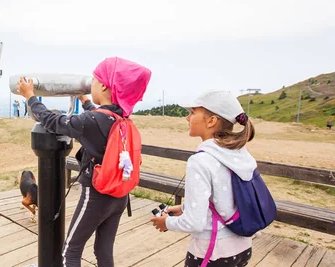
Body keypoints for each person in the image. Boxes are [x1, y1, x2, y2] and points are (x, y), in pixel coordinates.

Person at [17, 57, 151, 267]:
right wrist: (86, 101)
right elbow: (97, 121)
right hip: (120, 196)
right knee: (103, 251)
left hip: (96, 196)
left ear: (105, 85)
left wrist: (31, 98)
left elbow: (54, 122)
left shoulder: (95, 121)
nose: (91, 84)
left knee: (70, 252)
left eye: (95, 81)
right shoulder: (122, 117)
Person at [150, 90, 257, 267]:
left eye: (192, 112)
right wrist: (184, 208)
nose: (187, 118)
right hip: (243, 248)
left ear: (211, 120)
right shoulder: (240, 154)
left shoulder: (200, 161)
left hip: (211, 253)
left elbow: (195, 223)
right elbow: (225, 201)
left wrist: (166, 223)